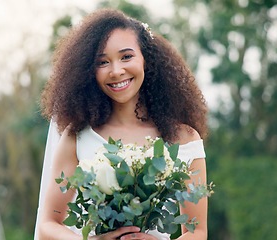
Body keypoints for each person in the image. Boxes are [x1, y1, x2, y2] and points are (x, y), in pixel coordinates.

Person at [36, 8, 209, 240]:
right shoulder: (78, 136)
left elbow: (197, 232)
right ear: (89, 71)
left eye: (126, 57)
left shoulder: (184, 138)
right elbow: (48, 224)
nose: (116, 71)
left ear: (146, 59)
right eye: (103, 62)